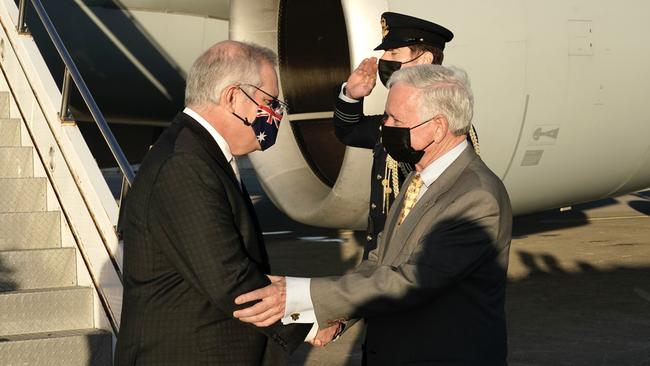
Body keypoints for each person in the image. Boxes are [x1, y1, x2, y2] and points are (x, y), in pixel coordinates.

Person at [234, 64, 512, 365]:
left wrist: (301, 293)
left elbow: (411, 281)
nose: (385, 126)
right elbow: (381, 262)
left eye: (395, 119)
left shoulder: (477, 197)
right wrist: (339, 316)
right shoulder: (420, 177)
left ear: (439, 127)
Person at [114, 40, 311, 365]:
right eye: (268, 102)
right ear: (233, 97)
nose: (275, 115)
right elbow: (228, 278)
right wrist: (310, 316)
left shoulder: (200, 153)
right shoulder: (184, 164)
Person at [334, 12, 481, 259]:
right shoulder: (393, 121)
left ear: (424, 60)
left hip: (417, 257)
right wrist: (352, 94)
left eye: (393, 54)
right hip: (383, 253)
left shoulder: (444, 125)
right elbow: (349, 131)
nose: (383, 60)